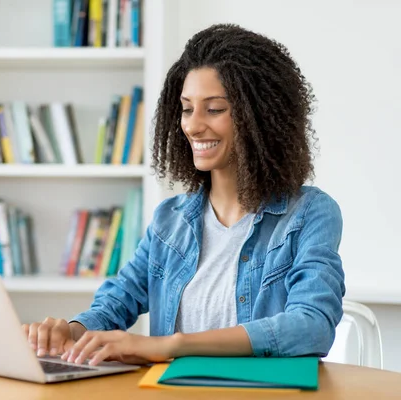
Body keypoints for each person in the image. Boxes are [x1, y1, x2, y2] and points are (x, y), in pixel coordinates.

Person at [23, 23, 345, 366]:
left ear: (260, 117)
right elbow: (117, 302)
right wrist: (71, 332)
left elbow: (312, 326)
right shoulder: (170, 219)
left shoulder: (309, 212)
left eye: (215, 109)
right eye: (187, 108)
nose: (192, 125)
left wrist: (169, 346)